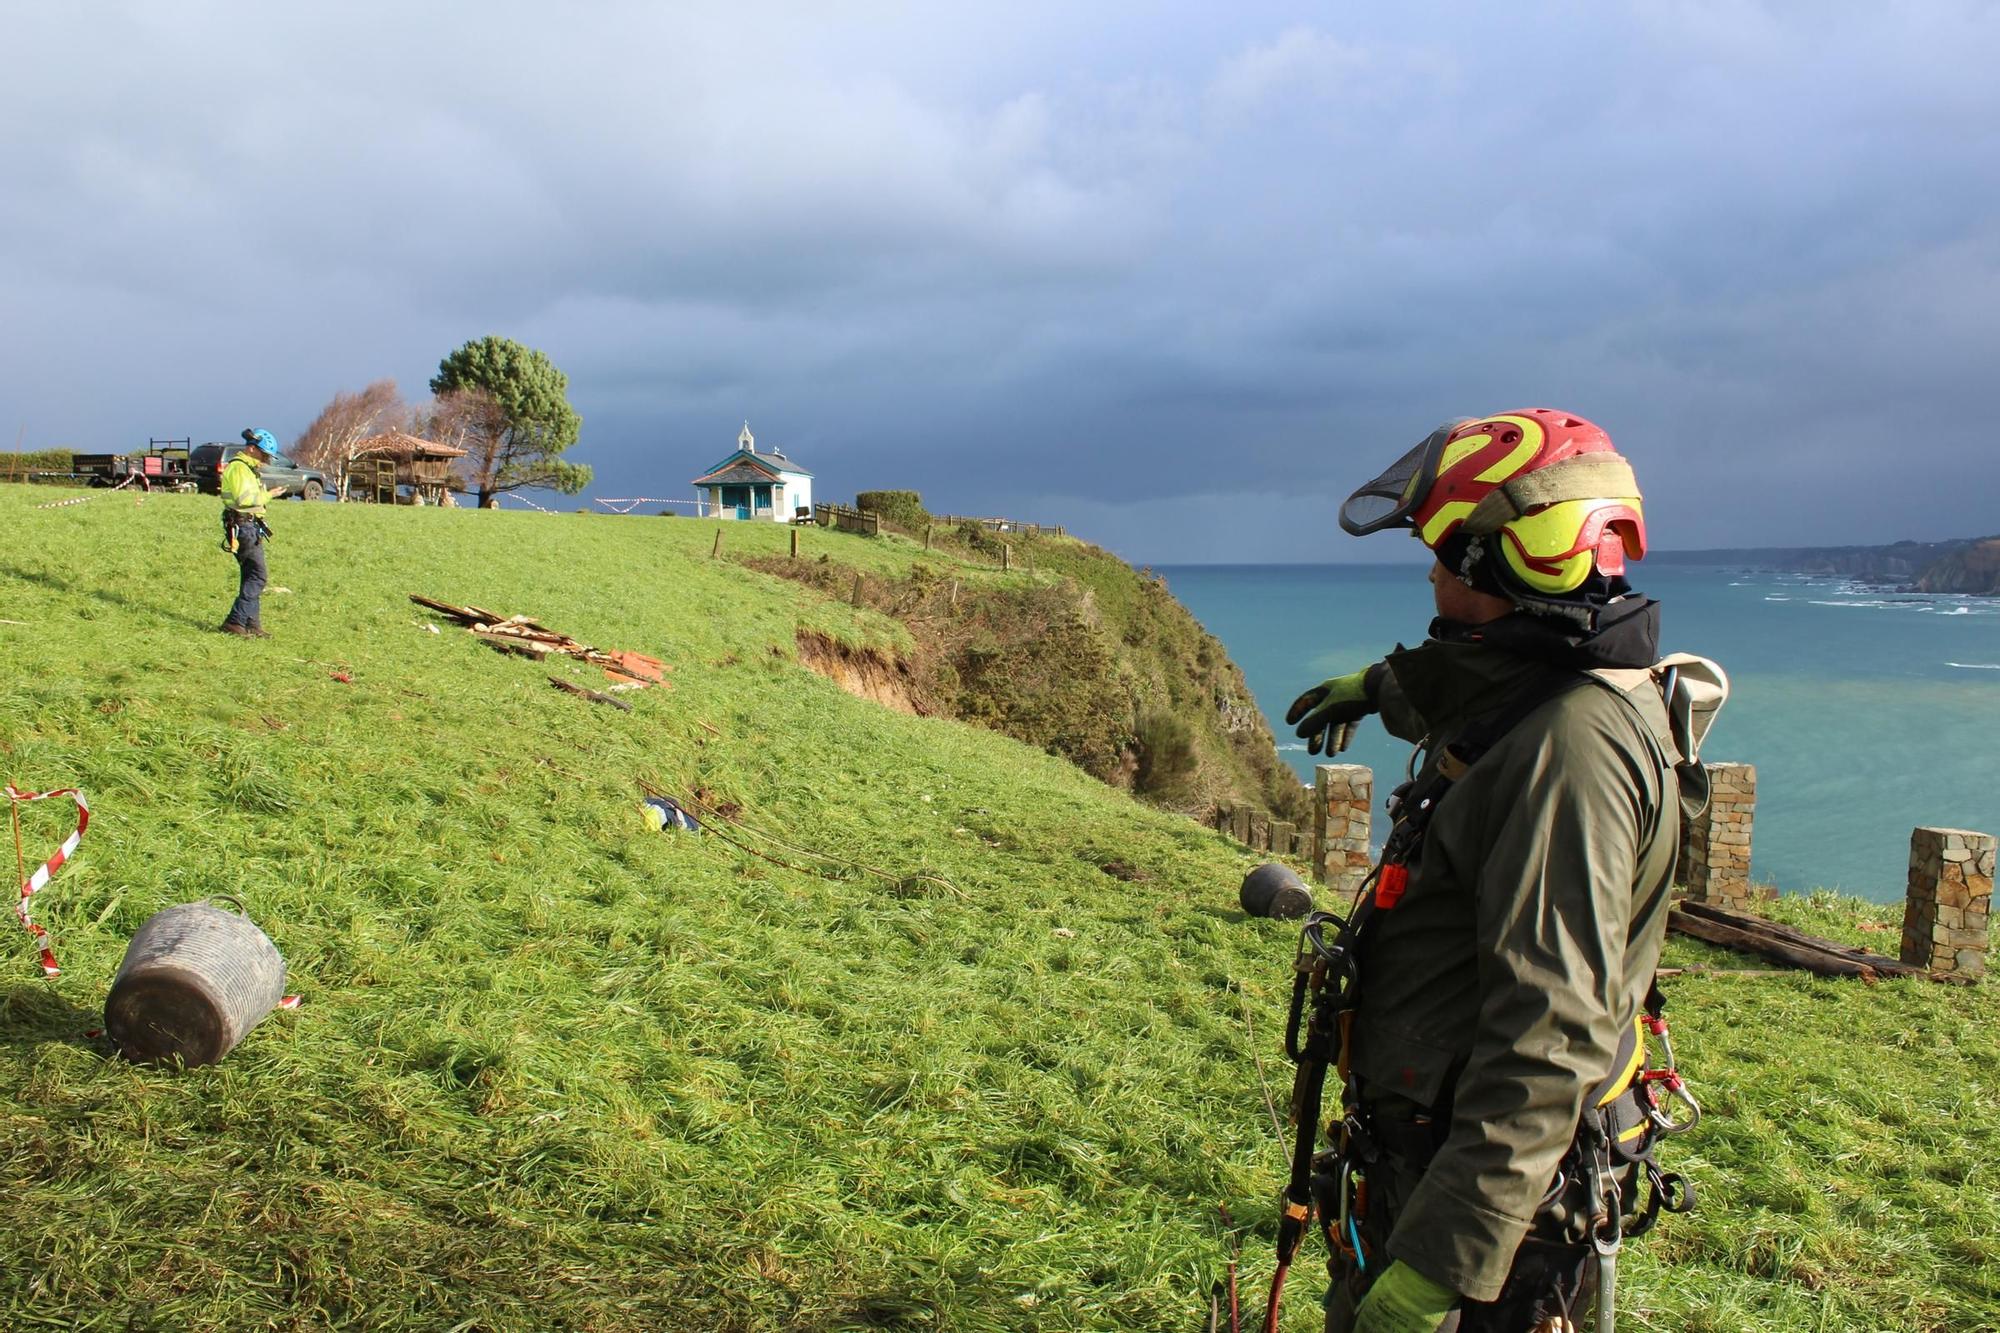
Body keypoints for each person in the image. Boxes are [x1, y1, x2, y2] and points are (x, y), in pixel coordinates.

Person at [1285, 410, 1700, 1333]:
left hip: (1493, 1222)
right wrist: (1384, 687)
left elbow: (1548, 1037)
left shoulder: (1569, 759)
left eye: (1447, 553)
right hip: (1427, 1158)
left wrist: (1441, 1268)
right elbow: (1481, 693)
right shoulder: (1551, 689)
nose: (1431, 572)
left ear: (1502, 566)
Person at [219, 428, 286, 638]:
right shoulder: (239, 469)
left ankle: (251, 624)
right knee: (258, 576)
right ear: (251, 448)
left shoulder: (247, 469)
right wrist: (269, 495)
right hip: (243, 526)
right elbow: (243, 499)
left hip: (249, 525)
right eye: (264, 454)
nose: (266, 460)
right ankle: (235, 621)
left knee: (250, 575)